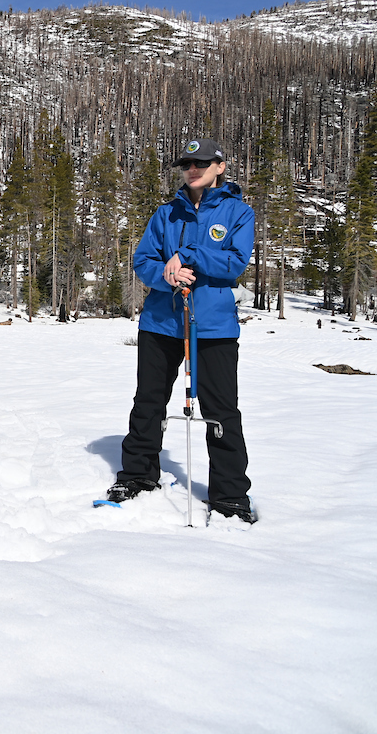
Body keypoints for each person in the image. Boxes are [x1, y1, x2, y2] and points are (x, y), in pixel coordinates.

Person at [109, 138, 256, 523]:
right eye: (187, 163)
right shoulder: (165, 214)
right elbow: (143, 259)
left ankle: (230, 496)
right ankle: (138, 475)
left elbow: (234, 263)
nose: (193, 168)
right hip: (161, 323)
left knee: (222, 410)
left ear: (220, 167)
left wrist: (188, 255)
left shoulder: (238, 213)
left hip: (214, 327)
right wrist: (165, 274)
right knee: (148, 401)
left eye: (202, 162)